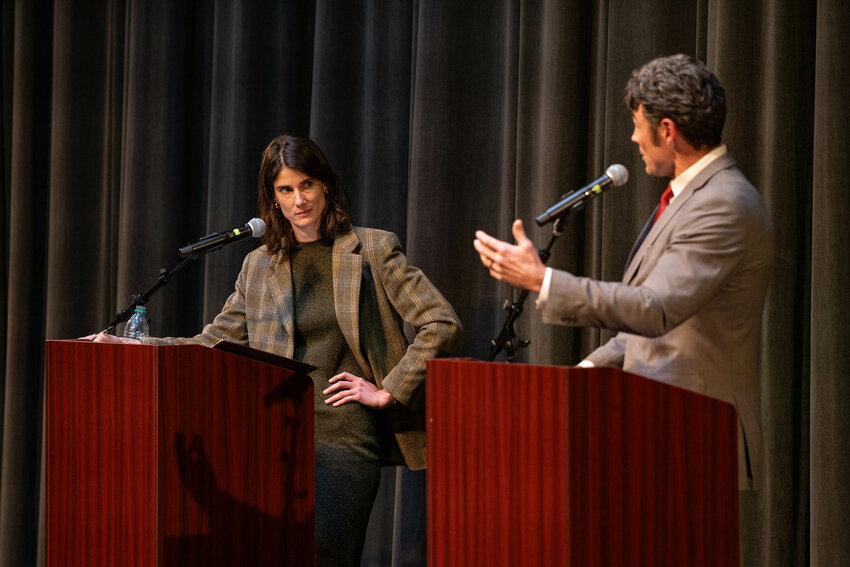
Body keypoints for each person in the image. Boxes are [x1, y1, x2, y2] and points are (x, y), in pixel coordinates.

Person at [97, 134, 463, 565]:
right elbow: (212, 343)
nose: (299, 200)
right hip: (270, 443)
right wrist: (131, 345)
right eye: (285, 190)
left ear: (325, 184)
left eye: (306, 184)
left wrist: (388, 389)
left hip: (344, 440)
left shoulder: (373, 249)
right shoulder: (258, 264)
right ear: (272, 198)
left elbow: (440, 322)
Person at [473, 54, 773, 491]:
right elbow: (651, 325)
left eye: (637, 124)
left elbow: (655, 310)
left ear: (667, 130)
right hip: (657, 429)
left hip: (694, 436)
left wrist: (543, 281)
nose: (633, 137)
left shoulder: (723, 203)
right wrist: (589, 369)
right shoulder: (689, 196)